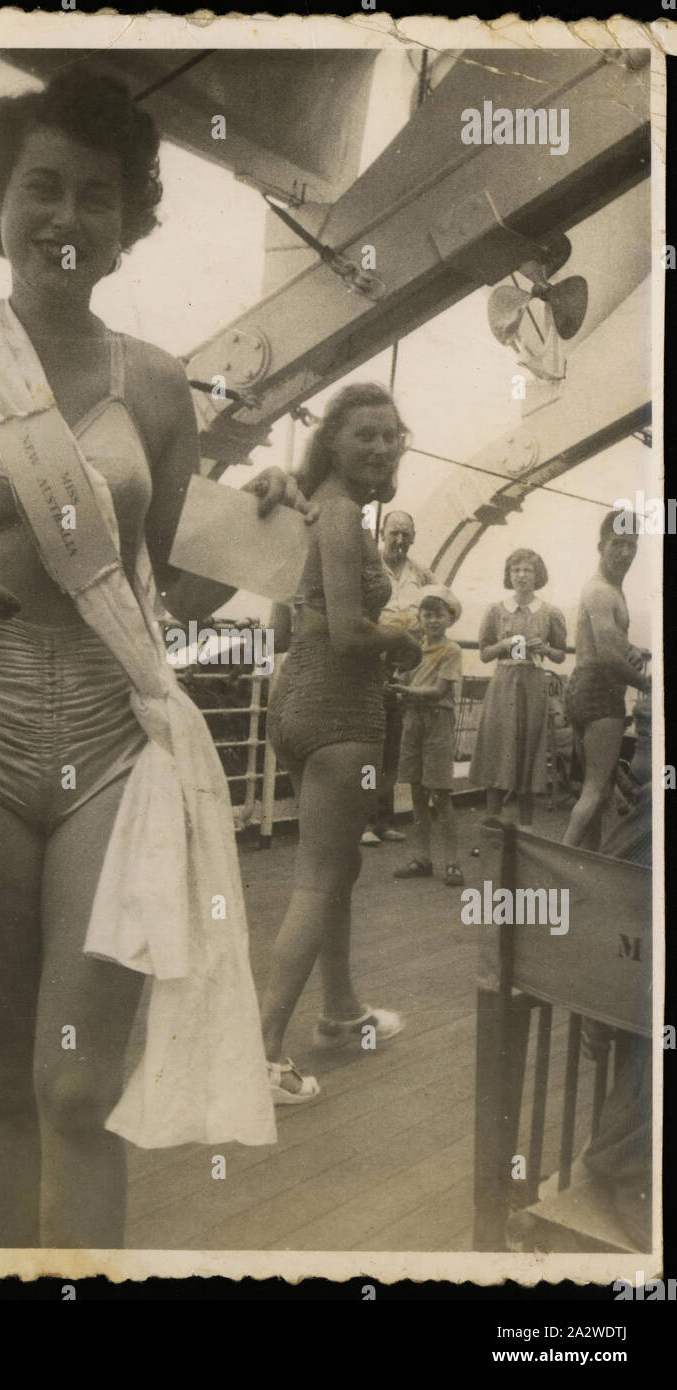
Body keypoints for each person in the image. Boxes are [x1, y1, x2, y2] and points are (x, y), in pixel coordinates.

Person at [0, 72, 313, 1248]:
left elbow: (142, 588)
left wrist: (270, 510)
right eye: (39, 189)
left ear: (129, 223)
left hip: (111, 756)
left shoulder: (157, 383)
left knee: (77, 1090)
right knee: (5, 1082)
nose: (65, 217)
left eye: (96, 197)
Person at [262, 384, 421, 1102]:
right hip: (341, 717)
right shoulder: (339, 513)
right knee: (319, 879)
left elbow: (286, 628)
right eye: (365, 435)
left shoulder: (313, 507)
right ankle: (261, 1055)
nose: (382, 447)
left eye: (390, 436)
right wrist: (407, 637)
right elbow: (347, 632)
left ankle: (340, 1012)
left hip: (298, 706)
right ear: (333, 440)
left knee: (337, 870)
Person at [563, 511, 651, 848]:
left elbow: (607, 642)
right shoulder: (601, 591)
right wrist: (647, 686)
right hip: (600, 693)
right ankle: (562, 866)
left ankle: (586, 865)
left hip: (584, 689)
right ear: (601, 546)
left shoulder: (608, 587)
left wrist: (633, 648)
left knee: (595, 790)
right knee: (596, 790)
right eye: (618, 544)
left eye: (632, 546)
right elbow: (608, 657)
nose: (625, 553)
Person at [469, 548, 567, 827]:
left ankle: (526, 831)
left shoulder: (549, 613)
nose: (522, 575)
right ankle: (492, 827)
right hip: (503, 686)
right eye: (516, 570)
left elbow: (560, 655)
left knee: (529, 751)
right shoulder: (496, 611)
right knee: (497, 749)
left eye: (528, 570)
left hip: (533, 685)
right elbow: (485, 653)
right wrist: (505, 644)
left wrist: (546, 648)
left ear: (537, 576)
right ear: (509, 575)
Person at [362, 509, 434, 847]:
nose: (400, 539)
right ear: (383, 533)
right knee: (368, 745)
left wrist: (425, 627)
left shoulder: (421, 573)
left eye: (406, 533)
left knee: (392, 746)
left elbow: (446, 606)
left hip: (403, 665)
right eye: (395, 532)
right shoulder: (369, 565)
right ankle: (363, 820)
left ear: (413, 537)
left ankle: (383, 819)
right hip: (371, 661)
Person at [389, 586, 465, 886]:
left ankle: (453, 863)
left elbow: (439, 691)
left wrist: (405, 692)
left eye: (439, 615)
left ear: (449, 619)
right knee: (417, 792)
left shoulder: (452, 650)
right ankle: (422, 858)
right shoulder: (412, 649)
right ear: (419, 617)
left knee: (441, 795)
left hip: (437, 720)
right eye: (427, 614)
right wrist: (394, 686)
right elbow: (401, 679)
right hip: (413, 720)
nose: (433, 620)